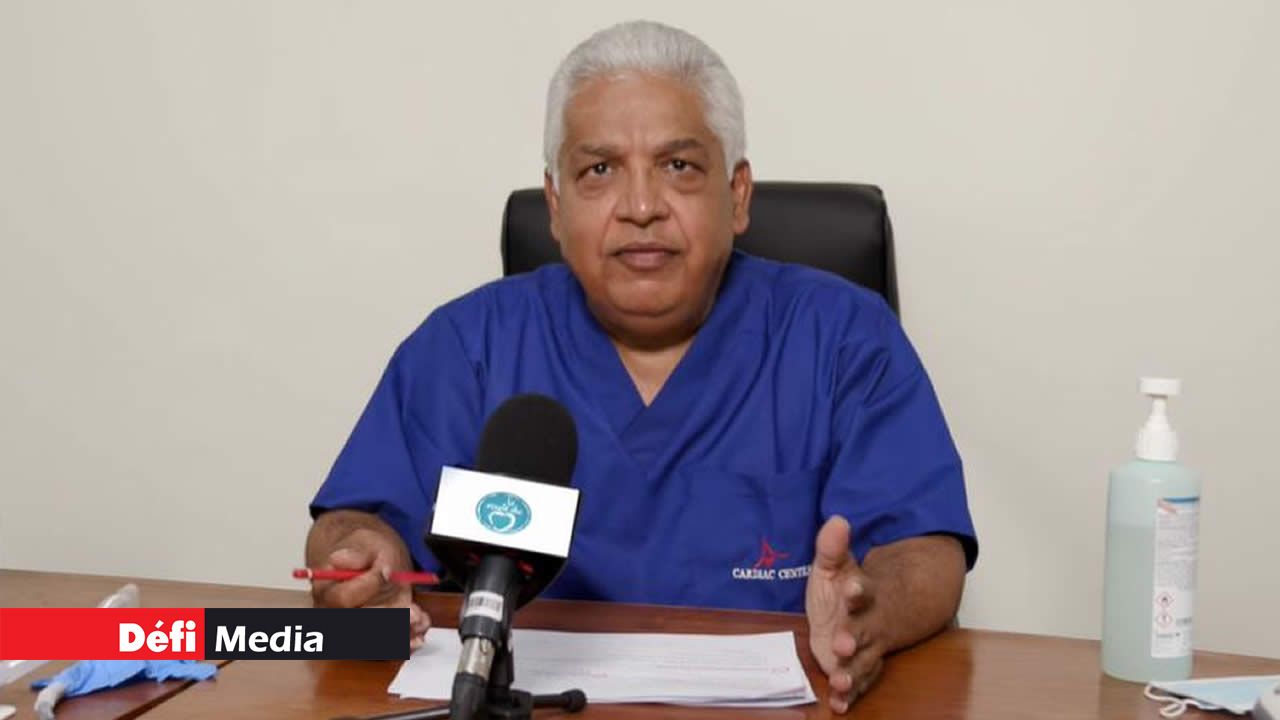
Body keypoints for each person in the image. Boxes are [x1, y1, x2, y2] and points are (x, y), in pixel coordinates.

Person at [305, 20, 977, 713]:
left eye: (678, 166)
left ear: (738, 195)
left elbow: (924, 549)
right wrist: (359, 562)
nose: (642, 207)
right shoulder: (468, 345)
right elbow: (354, 522)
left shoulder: (843, 337)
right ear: (557, 206)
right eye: (600, 171)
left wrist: (872, 612)